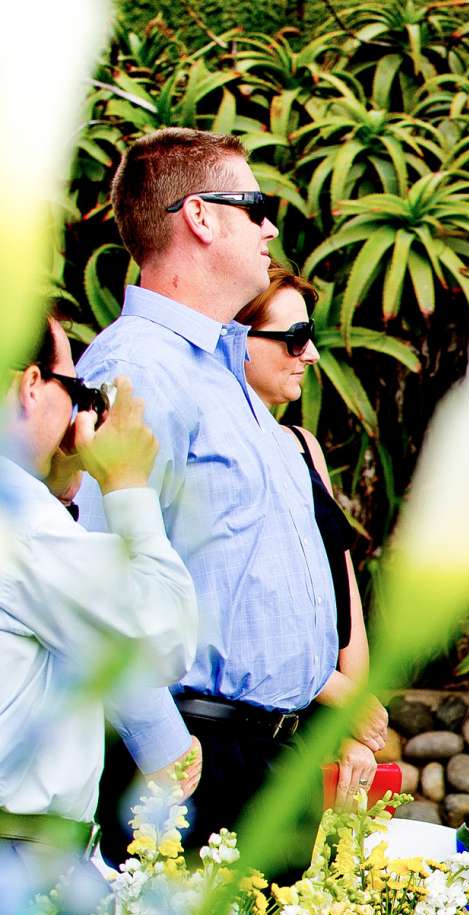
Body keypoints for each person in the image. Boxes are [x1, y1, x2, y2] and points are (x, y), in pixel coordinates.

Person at [77, 127, 346, 855]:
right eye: (254, 205)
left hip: (268, 757)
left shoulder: (224, 369)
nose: (268, 228)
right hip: (199, 757)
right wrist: (166, 748)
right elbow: (97, 576)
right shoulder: (139, 369)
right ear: (198, 216)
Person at [0, 318, 197, 861]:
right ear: (31, 386)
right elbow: (163, 636)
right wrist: (126, 480)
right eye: (75, 391)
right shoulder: (19, 524)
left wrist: (58, 479)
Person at [234, 265, 383, 796]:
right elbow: (252, 611)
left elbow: (341, 591)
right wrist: (342, 698)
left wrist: (352, 724)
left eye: (310, 338)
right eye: (294, 339)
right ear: (237, 341)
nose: (310, 355)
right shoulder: (226, 465)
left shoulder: (303, 445)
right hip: (261, 719)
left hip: (320, 718)